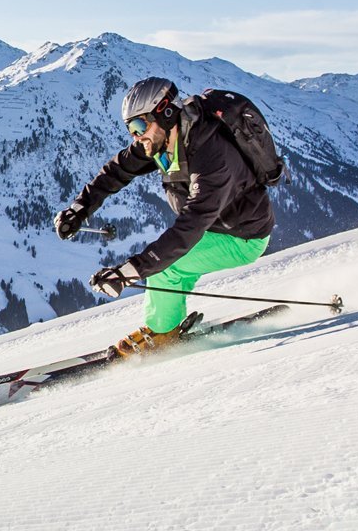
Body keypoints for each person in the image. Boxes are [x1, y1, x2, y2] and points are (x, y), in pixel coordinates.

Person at [53, 77, 275, 356]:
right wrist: (79, 208)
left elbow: (190, 227)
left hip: (242, 236)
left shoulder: (212, 156)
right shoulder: (164, 140)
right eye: (131, 129)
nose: (136, 136)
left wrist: (129, 272)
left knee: (168, 267)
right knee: (173, 267)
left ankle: (161, 333)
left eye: (140, 126)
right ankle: (168, 325)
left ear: (165, 113)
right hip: (214, 227)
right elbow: (116, 171)